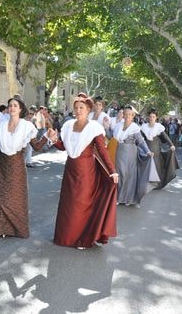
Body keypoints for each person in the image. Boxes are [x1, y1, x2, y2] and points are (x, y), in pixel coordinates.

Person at [0, 95, 50, 239]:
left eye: (15, 105)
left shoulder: (27, 127)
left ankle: (12, 227)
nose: (12, 108)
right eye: (10, 105)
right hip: (1, 164)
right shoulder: (1, 125)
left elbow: (37, 146)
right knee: (0, 197)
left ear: (20, 109)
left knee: (13, 198)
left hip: (17, 166)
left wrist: (47, 137)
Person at [50, 94, 119, 249]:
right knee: (69, 204)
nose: (78, 110)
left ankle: (82, 238)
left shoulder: (94, 128)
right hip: (70, 170)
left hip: (86, 172)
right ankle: (66, 237)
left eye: (82, 108)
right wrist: (54, 140)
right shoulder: (68, 126)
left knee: (82, 204)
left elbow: (102, 151)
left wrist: (112, 171)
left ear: (88, 110)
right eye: (76, 108)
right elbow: (64, 147)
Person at [114, 105, 159, 205]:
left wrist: (147, 151)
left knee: (129, 175)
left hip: (131, 152)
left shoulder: (135, 128)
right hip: (119, 151)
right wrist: (106, 126)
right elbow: (111, 137)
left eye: (129, 114)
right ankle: (118, 197)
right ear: (123, 115)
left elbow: (141, 141)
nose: (127, 116)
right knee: (120, 174)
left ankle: (128, 199)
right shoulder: (118, 126)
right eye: (125, 114)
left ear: (133, 116)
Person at [141, 109, 179, 189]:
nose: (151, 118)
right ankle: (146, 183)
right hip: (146, 148)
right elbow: (140, 139)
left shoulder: (158, 127)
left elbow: (165, 136)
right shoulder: (144, 127)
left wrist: (171, 145)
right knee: (146, 165)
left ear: (156, 118)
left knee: (156, 166)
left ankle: (157, 184)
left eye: (153, 117)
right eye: (150, 116)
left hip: (155, 148)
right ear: (148, 117)